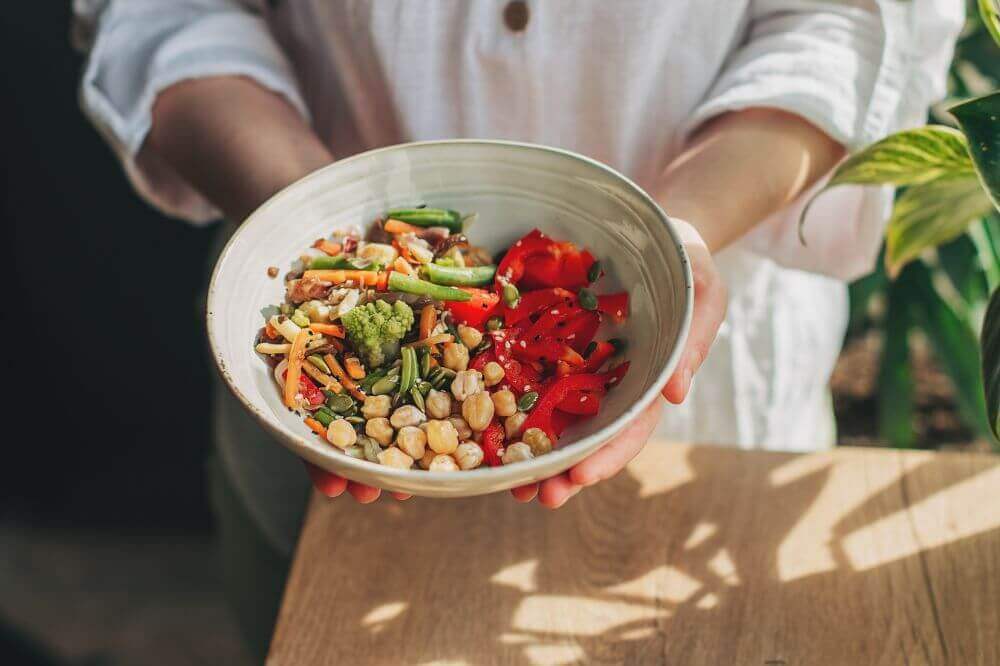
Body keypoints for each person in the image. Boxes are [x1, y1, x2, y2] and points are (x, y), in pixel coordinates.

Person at [73, 0, 961, 657]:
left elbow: (851, 23)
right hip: (304, 413)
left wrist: (673, 236)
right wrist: (320, 215)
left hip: (711, 443)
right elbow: (167, 13)